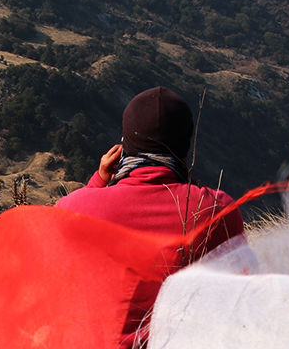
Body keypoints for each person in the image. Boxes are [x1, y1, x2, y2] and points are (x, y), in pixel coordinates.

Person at [55, 86, 243, 346]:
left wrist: (97, 183)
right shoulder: (217, 209)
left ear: (122, 149)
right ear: (185, 151)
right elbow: (237, 297)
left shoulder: (72, 209)